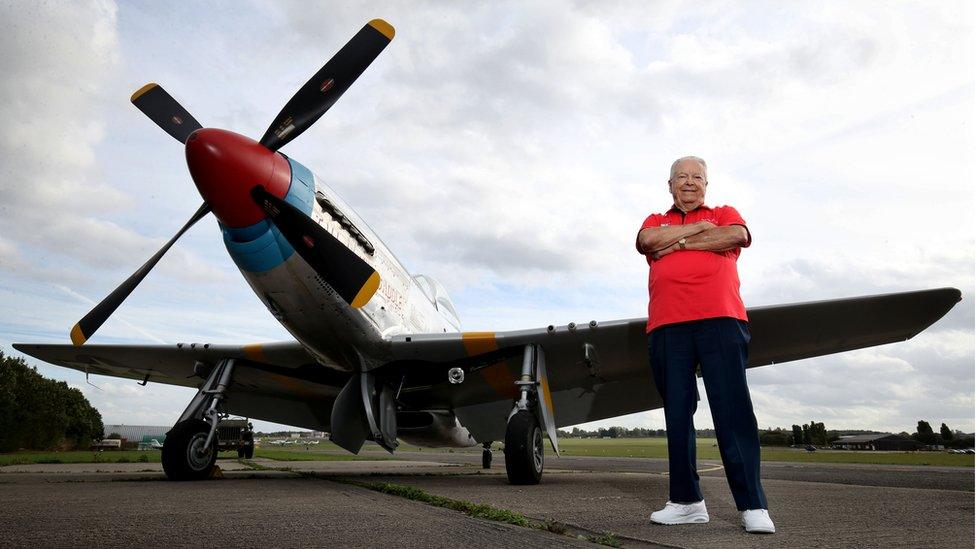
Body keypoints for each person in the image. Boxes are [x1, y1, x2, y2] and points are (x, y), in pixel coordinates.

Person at [635, 156, 774, 534]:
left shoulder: (725, 213)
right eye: (682, 176)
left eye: (697, 176)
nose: (690, 182)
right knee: (677, 414)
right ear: (670, 185)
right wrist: (699, 231)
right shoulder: (654, 220)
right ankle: (686, 502)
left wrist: (678, 242)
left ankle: (752, 505)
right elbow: (646, 242)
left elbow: (736, 235)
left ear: (707, 184)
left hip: (721, 320)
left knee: (732, 411)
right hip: (667, 325)